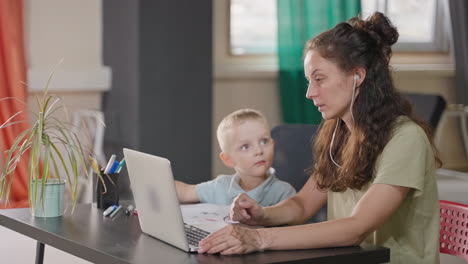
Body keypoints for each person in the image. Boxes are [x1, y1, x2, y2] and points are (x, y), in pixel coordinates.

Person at [198, 12, 441, 264]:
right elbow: (303, 205)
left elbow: (356, 228)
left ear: (358, 76)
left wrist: (258, 238)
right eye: (308, 81)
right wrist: (262, 215)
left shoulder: (406, 139)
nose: (309, 93)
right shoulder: (340, 132)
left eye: (320, 79)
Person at [175, 108, 296, 206]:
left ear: (272, 144)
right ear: (228, 159)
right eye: (245, 147)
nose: (259, 151)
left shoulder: (283, 193)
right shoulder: (221, 186)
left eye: (264, 141)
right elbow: (185, 192)